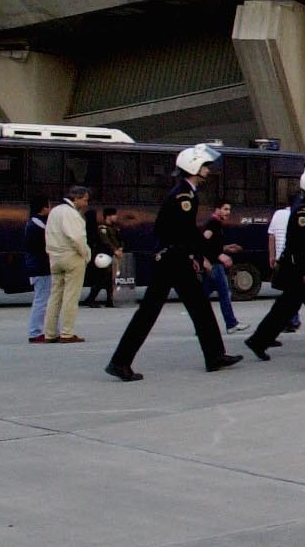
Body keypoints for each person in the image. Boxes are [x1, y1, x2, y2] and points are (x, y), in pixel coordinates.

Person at [105, 145, 239, 381]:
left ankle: (215, 355)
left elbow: (167, 229)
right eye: (204, 165)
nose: (208, 169)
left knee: (198, 307)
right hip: (172, 261)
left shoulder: (183, 193)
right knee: (154, 311)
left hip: (173, 258)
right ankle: (120, 361)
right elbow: (186, 232)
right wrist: (211, 255)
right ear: (194, 167)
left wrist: (193, 254)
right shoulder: (184, 196)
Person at [246, 160, 305, 362]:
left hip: (301, 270)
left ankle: (260, 340)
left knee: (289, 308)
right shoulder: (304, 212)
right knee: (303, 308)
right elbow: (300, 246)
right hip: (300, 271)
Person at [44, 184, 92, 343]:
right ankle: (67, 333)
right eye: (85, 200)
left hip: (54, 256)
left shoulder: (54, 211)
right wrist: (85, 253)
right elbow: (76, 238)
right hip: (71, 257)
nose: (86, 203)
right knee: (71, 297)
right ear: (76, 198)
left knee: (55, 296)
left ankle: (49, 333)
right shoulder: (71, 214)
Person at [199, 200, 244, 333]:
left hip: (213, 265)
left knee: (203, 296)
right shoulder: (213, 224)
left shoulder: (216, 224)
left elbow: (212, 244)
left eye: (229, 209)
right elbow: (202, 242)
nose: (228, 212)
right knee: (224, 294)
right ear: (217, 209)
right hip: (215, 266)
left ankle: (201, 327)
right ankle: (231, 324)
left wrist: (227, 248)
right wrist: (218, 256)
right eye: (225, 209)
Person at [24, 198, 52, 343]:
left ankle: (40, 330)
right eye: (48, 207)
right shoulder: (38, 225)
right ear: (43, 209)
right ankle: (35, 332)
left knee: (42, 300)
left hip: (36, 266)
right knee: (42, 301)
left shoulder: (33, 223)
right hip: (41, 267)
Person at [82, 207, 121, 308]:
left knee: (109, 279)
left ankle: (109, 300)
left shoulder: (115, 228)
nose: (116, 217)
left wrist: (120, 248)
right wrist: (115, 250)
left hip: (111, 256)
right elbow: (106, 241)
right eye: (114, 215)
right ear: (108, 216)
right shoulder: (102, 228)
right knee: (102, 279)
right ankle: (90, 299)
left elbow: (119, 240)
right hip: (103, 256)